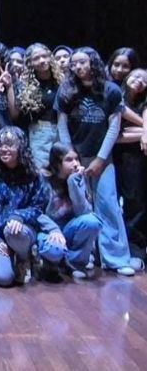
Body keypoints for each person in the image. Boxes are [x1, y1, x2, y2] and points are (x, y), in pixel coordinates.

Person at [55, 47, 139, 275]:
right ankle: (84, 258)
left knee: (108, 205)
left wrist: (101, 159)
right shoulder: (66, 90)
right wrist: (71, 158)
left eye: (83, 62)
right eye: (75, 64)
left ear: (93, 62)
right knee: (81, 208)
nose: (79, 67)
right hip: (76, 158)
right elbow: (62, 125)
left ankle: (116, 258)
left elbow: (114, 127)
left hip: (102, 158)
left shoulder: (110, 90)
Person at [0, 126, 61, 286]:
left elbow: (38, 208)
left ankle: (24, 257)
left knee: (14, 231)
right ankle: (6, 259)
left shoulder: (33, 174)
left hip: (21, 231)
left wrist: (19, 216)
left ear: (21, 147)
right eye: (0, 145)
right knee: (3, 278)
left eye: (10, 144)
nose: (4, 149)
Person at [43, 143, 103, 279]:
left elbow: (85, 213)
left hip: (70, 229)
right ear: (57, 163)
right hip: (49, 230)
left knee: (93, 221)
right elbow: (38, 213)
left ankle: (73, 263)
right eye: (69, 160)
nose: (75, 164)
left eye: (77, 159)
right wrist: (53, 230)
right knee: (53, 249)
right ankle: (50, 261)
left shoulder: (77, 178)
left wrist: (73, 184)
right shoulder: (44, 180)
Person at [16, 43, 64, 168]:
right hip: (40, 133)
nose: (42, 61)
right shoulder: (27, 85)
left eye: (44, 56)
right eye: (36, 58)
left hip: (63, 130)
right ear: (30, 62)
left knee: (62, 173)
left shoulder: (62, 80)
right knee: (43, 172)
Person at [114, 69, 147, 248]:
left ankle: (134, 247)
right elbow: (116, 135)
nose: (139, 81)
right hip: (114, 155)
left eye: (144, 80)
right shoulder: (116, 97)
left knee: (135, 203)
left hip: (136, 159)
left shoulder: (144, 103)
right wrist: (143, 132)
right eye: (136, 76)